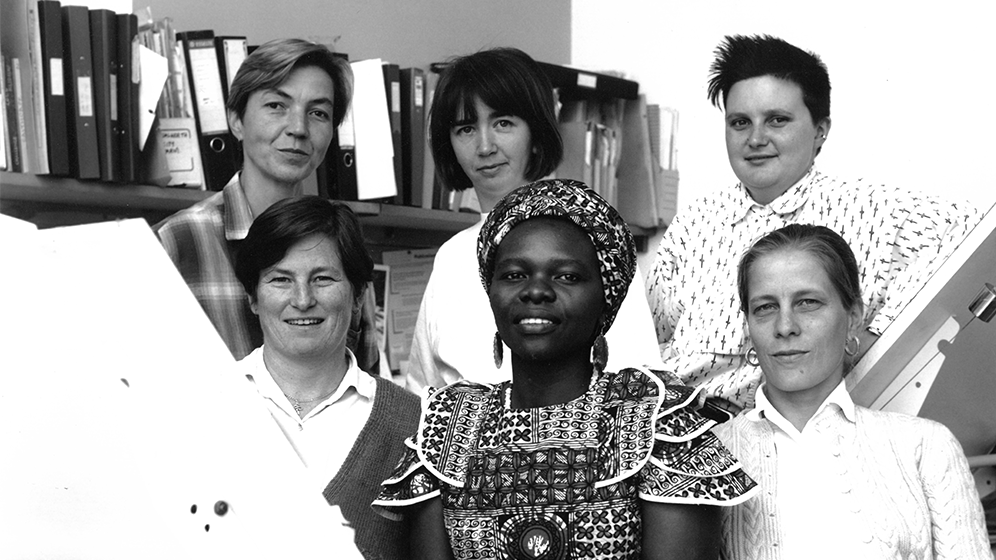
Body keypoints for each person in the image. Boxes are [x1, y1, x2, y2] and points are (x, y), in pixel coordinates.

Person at [375, 180, 757, 559]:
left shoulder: (654, 419)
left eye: (567, 276)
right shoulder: (449, 424)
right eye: (514, 274)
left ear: (604, 299)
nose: (536, 291)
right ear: (491, 292)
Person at [647, 34, 980, 412]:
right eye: (740, 122)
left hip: (791, 434)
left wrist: (880, 333)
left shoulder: (872, 209)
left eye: (777, 120)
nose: (756, 138)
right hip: (679, 428)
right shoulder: (696, 221)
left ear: (821, 130)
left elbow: (971, 231)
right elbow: (652, 338)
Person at [714, 223, 990, 559]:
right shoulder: (711, 454)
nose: (785, 327)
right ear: (748, 325)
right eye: (765, 307)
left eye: (808, 303)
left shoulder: (925, 446)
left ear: (853, 316)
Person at [405, 47, 662, 391]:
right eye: (466, 128)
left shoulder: (590, 241)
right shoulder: (451, 257)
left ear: (536, 133)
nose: (484, 146)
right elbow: (423, 396)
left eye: (503, 124)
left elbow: (641, 385)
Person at [154, 38, 379, 372]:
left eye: (318, 113)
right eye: (277, 106)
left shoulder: (342, 243)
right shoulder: (175, 242)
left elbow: (368, 383)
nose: (299, 129)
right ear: (236, 120)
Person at [233, 196, 420, 559]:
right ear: (253, 297)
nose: (302, 299)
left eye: (322, 279)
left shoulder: (415, 424)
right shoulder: (200, 407)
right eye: (281, 280)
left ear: (358, 295)